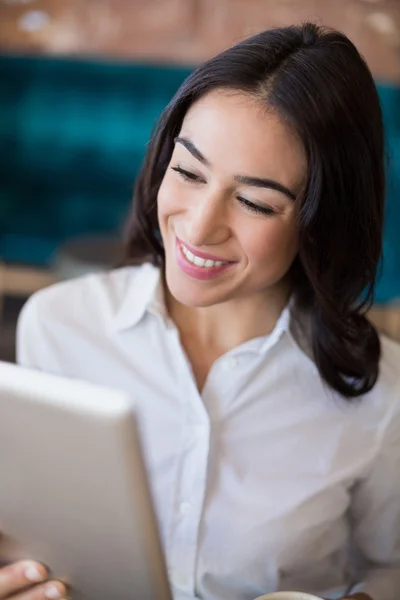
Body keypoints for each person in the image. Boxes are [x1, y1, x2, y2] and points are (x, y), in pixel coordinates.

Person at [1, 21, 399, 600]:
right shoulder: (58, 326)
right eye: (187, 172)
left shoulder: (380, 394)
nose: (199, 225)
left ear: (321, 222)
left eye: (255, 202)